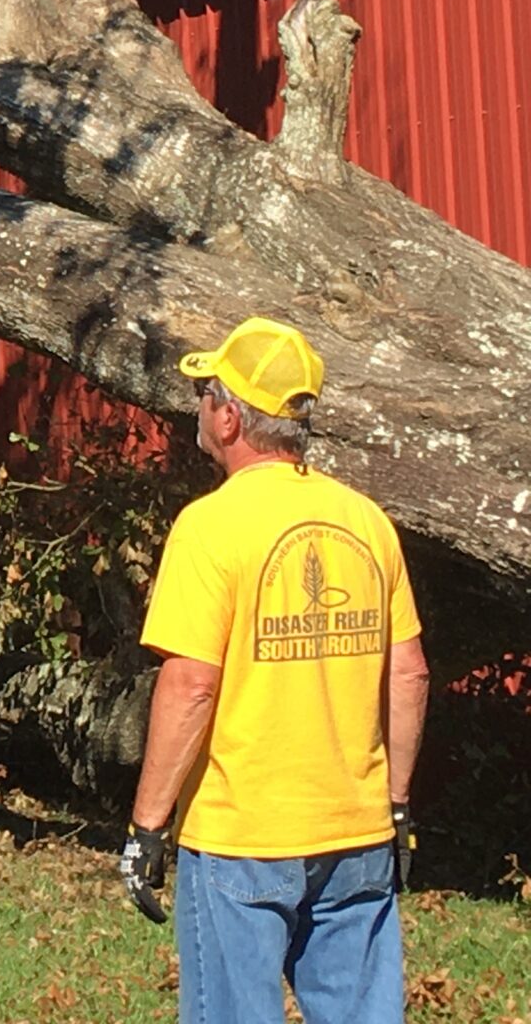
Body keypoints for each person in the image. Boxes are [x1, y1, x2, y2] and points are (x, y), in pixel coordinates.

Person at [120, 316, 431, 1024]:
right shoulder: (365, 520)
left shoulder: (210, 526)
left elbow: (191, 683)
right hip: (356, 830)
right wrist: (397, 805)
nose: (197, 406)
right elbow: (408, 674)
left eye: (205, 393)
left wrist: (146, 829)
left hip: (240, 841)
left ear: (229, 418)